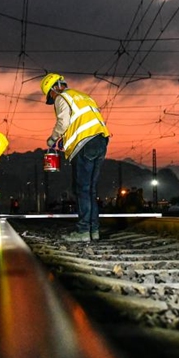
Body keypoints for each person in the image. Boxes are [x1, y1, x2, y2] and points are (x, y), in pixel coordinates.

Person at [41, 73, 110, 242]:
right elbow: (79, 121)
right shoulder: (84, 97)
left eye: (50, 94)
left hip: (84, 145)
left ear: (54, 89)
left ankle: (83, 231)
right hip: (101, 141)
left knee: (81, 190)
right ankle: (94, 230)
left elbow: (63, 122)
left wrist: (53, 138)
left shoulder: (62, 97)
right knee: (91, 190)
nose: (51, 98)